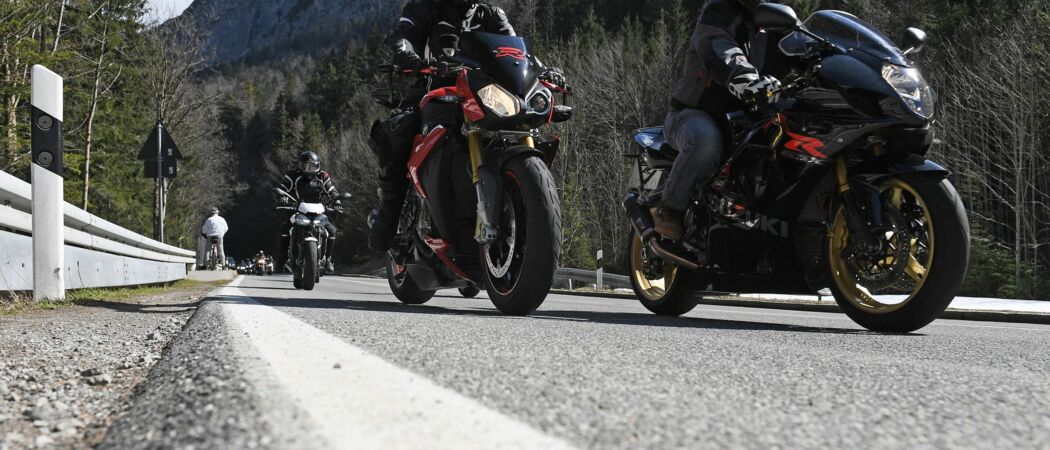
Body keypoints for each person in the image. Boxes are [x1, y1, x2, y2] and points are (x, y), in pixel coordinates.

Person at [368, 0, 567, 250]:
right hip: (433, 90)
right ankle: (389, 209)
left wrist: (542, 70)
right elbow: (403, 37)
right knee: (400, 130)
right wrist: (408, 55)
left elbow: (517, 55)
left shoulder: (492, 16)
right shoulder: (424, 9)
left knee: (526, 124)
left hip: (483, 94)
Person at [655, 0, 782, 240]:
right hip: (692, 115)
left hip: (746, 121)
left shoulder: (776, 24)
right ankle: (669, 209)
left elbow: (802, 50)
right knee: (706, 141)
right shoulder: (719, 12)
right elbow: (719, 47)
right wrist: (745, 79)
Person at [276, 151, 342, 273]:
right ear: (300, 166)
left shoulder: (323, 176)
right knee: (284, 229)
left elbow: (331, 189)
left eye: (313, 166)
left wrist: (337, 201)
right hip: (298, 209)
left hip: (318, 211)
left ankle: (328, 260)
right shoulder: (293, 175)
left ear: (318, 166)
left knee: (332, 230)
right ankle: (282, 258)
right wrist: (283, 196)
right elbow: (283, 187)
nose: (309, 169)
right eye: (306, 166)